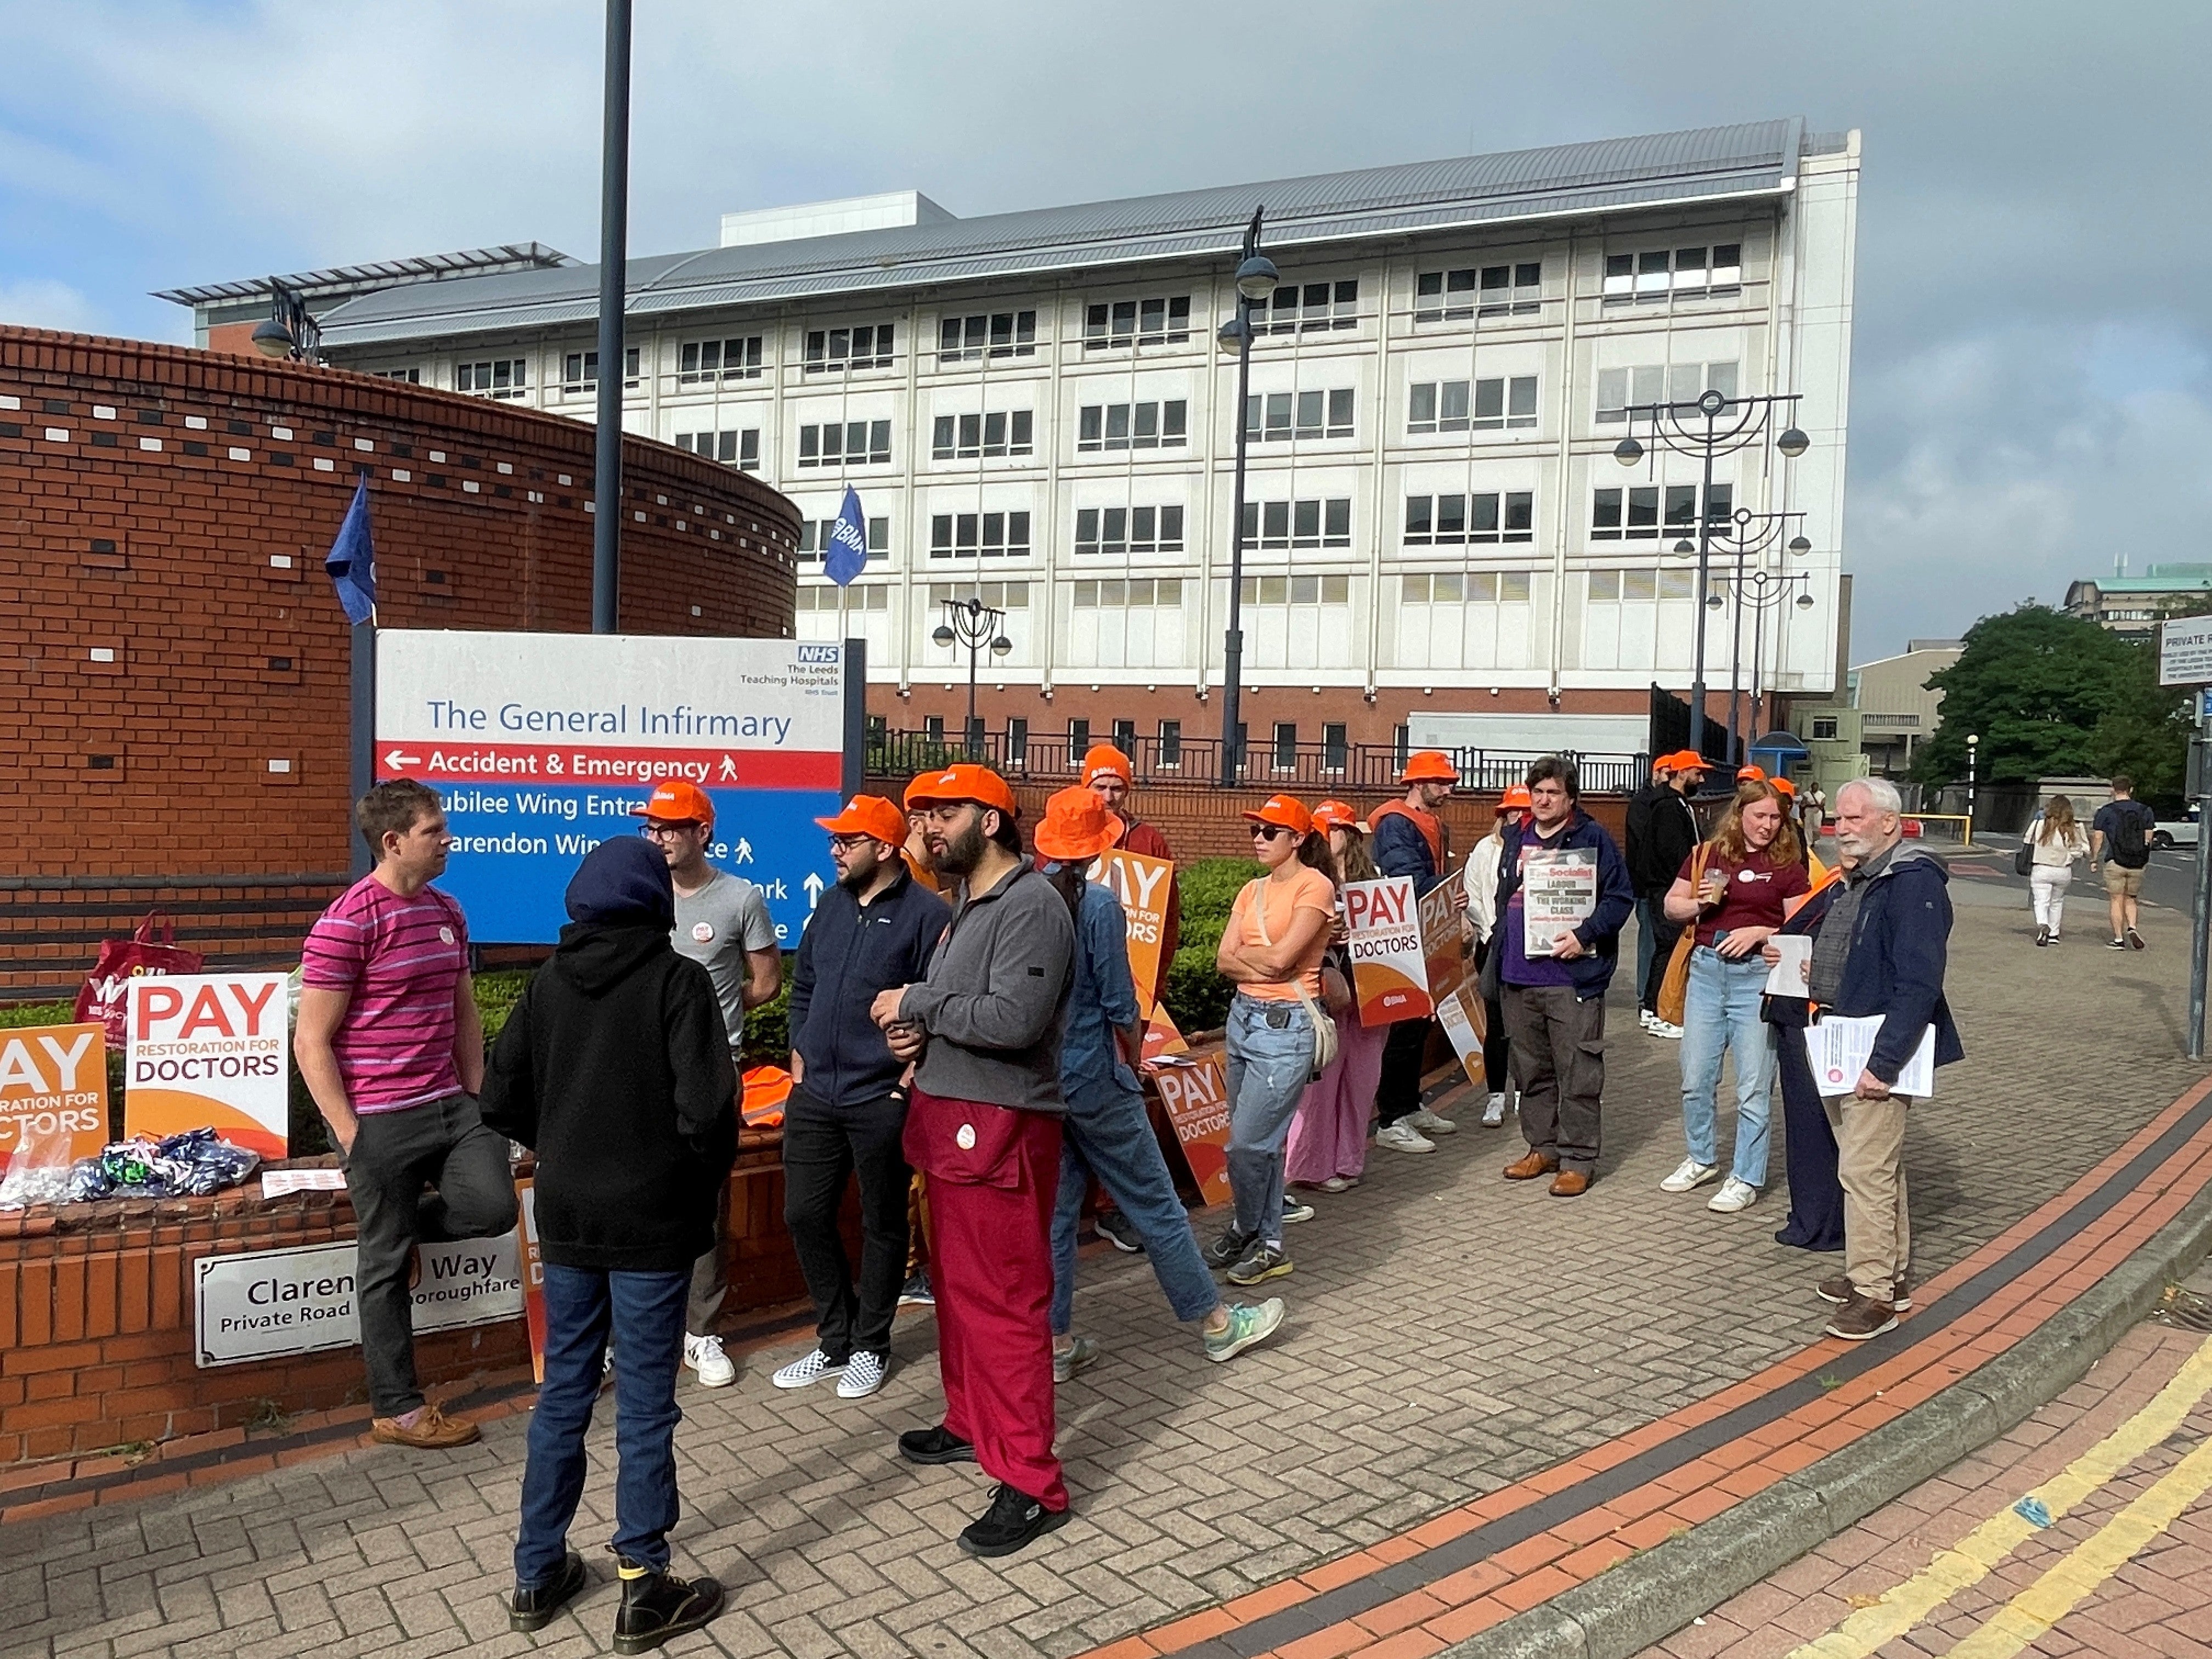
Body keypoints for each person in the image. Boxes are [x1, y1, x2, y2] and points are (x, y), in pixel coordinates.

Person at [481, 837, 735, 1651]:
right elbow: (708, 1111)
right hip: (654, 1220)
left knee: (566, 1390)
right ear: (652, 901)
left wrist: (560, 1140)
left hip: (567, 1215)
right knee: (647, 1404)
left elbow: (501, 1098)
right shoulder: (677, 981)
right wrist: (691, 1177)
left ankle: (535, 1572)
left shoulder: (547, 983)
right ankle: (644, 1582)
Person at [871, 764, 1077, 1558]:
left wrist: (918, 1004)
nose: (926, 828)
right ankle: (970, 1423)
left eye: (945, 813)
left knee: (1005, 1306)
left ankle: (1031, 1482)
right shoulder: (970, 906)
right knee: (960, 1296)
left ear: (990, 821)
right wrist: (917, 1036)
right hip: (957, 1124)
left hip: (1002, 1131)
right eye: (922, 814)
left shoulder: (1030, 905)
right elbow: (969, 1015)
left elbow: (1015, 1019)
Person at [1034, 786, 1285, 1378]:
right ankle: (1217, 1324)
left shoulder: (1026, 898)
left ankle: (1053, 1342)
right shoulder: (1098, 904)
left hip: (1044, 1083)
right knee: (1158, 1206)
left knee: (1056, 1217)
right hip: (1097, 1077)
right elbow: (1122, 1003)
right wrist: (1130, 1055)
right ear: (1103, 844)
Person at [296, 780, 517, 1451]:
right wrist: (350, 1132)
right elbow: (312, 1040)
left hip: (452, 1106)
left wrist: (480, 1095)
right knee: (384, 1266)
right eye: (434, 831)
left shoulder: (448, 909)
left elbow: (463, 1011)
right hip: (378, 1118)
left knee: (494, 1209)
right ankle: (398, 1409)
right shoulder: (346, 923)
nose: (448, 840)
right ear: (393, 842)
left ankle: (401, 1226)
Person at [772, 794, 949, 1401]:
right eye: (834, 841)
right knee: (803, 1213)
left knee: (882, 1222)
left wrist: (904, 1087)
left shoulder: (928, 915)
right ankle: (834, 1340)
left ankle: (871, 1346)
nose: (835, 850)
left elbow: (936, 1008)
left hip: (882, 1097)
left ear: (883, 847)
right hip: (816, 1092)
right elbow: (805, 987)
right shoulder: (831, 905)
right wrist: (800, 1058)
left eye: (847, 841)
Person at [1776, 776, 1963, 1340]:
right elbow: (1861, 953)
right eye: (1838, 818)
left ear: (1889, 822)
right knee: (1877, 1168)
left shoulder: (1911, 883)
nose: (1841, 827)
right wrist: (1823, 972)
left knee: (1863, 1170)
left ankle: (1874, 1293)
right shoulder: (1860, 880)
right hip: (1843, 1037)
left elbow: (1919, 981)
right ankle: (1890, 1275)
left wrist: (1884, 1063)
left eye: (1854, 817)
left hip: (1875, 1048)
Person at [631, 780, 779, 1390]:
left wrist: (711, 1019)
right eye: (653, 827)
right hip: (642, 1070)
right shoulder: (639, 894)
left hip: (713, 1073)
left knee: (706, 1207)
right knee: (638, 1196)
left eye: (672, 827)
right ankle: (639, 1329)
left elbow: (766, 983)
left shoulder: (741, 898)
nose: (660, 837)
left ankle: (702, 1332)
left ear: (703, 833)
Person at [1658, 780, 1808, 1213]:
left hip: (1756, 978)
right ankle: (1702, 1158)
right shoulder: (1707, 855)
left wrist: (1761, 932)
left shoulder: (1789, 866)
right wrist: (1699, 906)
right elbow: (1672, 905)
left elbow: (1802, 928)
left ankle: (1746, 1175)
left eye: (1775, 818)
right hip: (1707, 972)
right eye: (1759, 815)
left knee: (1754, 1086)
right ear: (1739, 814)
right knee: (1695, 1078)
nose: (1767, 825)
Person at [1207, 794, 1339, 1283]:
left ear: (1298, 839)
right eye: (1255, 831)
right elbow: (1223, 960)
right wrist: (1262, 961)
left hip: (1287, 1026)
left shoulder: (1315, 886)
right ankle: (1256, 1232)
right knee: (1260, 1142)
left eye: (1270, 832)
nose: (1259, 840)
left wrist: (1256, 958)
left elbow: (1283, 960)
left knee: (1246, 1144)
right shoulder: (1251, 890)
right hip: (1244, 1018)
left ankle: (1264, 1237)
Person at [1493, 757, 1636, 1198]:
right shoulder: (1517, 836)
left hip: (1570, 978)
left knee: (1578, 1072)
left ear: (1570, 797)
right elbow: (1503, 897)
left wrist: (1584, 934)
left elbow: (1619, 897)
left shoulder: (1592, 838)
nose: (1542, 800)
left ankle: (1578, 1158)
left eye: (1552, 792)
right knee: (1531, 1072)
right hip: (1518, 976)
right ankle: (1543, 1147)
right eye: (1537, 791)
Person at [1075, 743, 1179, 1255]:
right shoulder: (1065, 843)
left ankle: (1115, 1210)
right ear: (1084, 786)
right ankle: (1090, 1209)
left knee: (1122, 1101)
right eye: (1101, 786)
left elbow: (1165, 923)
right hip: (1076, 1008)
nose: (1110, 796)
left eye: (1117, 787)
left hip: (1129, 997)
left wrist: (1149, 992)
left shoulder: (1149, 841)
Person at [1286, 801, 1387, 1189]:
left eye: (1334, 829)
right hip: (1326, 991)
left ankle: (1348, 1160)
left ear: (1351, 835)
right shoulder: (1309, 879)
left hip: (1370, 990)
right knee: (1320, 1084)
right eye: (1321, 830)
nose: (1326, 837)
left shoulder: (1377, 881)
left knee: (1361, 1081)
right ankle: (1311, 1166)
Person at [1368, 752, 1461, 1153]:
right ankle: (1391, 1118)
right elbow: (1407, 879)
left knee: (1417, 1024)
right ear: (1417, 783)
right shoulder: (1396, 824)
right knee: (1405, 1027)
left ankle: (1407, 1105)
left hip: (1419, 931)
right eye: (1440, 782)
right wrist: (1449, 887)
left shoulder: (1423, 822)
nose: (1448, 789)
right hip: (1403, 935)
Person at [1767, 857, 1848, 1255]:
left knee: (1825, 1125)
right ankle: (1809, 1217)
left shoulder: (1871, 890)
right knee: (1804, 1125)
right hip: (1794, 1013)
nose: (1845, 833)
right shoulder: (1830, 882)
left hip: (1828, 1021)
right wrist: (1775, 950)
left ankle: (1826, 1223)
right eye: (1843, 822)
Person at [1626, 751, 1706, 1040]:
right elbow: (1676, 855)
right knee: (1667, 950)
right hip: (1666, 891)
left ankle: (1653, 1008)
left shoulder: (1677, 805)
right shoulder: (1669, 808)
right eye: (1697, 773)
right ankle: (1658, 1011)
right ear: (1682, 773)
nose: (1702, 778)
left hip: (1664, 889)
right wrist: (1688, 885)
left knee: (1665, 949)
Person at [1462, 785, 1530, 1127]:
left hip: (1525, 946)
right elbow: (1472, 891)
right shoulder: (1485, 849)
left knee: (1526, 1023)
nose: (1516, 817)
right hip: (1491, 943)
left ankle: (1524, 1092)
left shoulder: (1537, 849)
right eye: (1510, 812)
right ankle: (1495, 1096)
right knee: (1496, 1024)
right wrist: (1487, 931)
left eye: (1523, 810)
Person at [2090, 777, 2156, 951]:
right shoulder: (2145, 810)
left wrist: (2094, 858)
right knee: (2131, 898)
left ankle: (2119, 939)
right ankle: (2132, 928)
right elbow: (2148, 837)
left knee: (2116, 899)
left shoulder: (2106, 811)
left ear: (2113, 790)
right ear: (2131, 790)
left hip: (2115, 860)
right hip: (2138, 862)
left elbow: (2098, 837)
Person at [2024, 794, 2091, 946]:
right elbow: (2084, 849)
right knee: (2057, 902)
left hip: (2041, 868)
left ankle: (2043, 925)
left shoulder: (2039, 825)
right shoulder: (2075, 827)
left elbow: (2028, 840)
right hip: (2063, 870)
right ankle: (2054, 934)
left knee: (2041, 901)